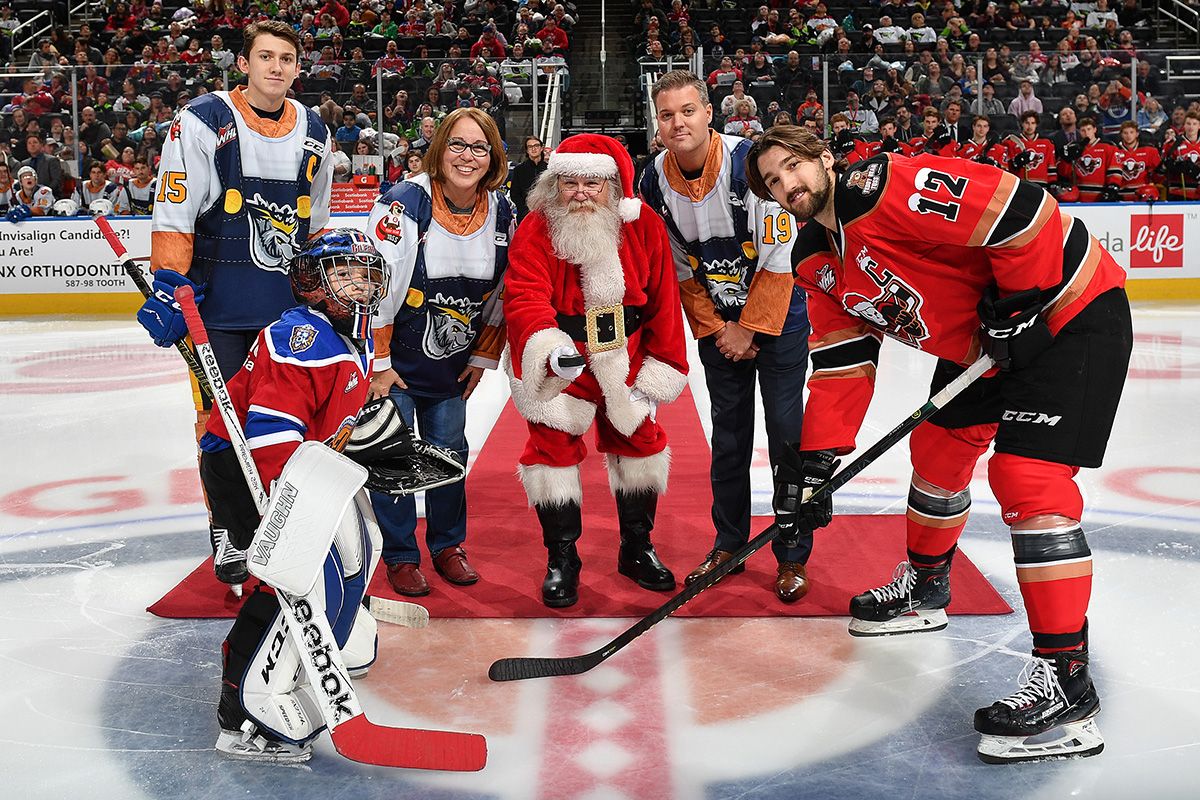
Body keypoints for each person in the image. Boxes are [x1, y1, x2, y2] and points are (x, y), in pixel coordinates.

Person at [746, 127, 1131, 764]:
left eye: (794, 167)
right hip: (990, 340)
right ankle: (926, 589)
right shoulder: (815, 255)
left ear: (822, 158)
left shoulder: (884, 187)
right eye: (774, 182)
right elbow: (843, 365)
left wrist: (1021, 303)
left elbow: (1024, 209)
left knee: (1027, 479)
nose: (790, 186)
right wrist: (815, 463)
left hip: (1070, 312)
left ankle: (1068, 683)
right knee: (938, 449)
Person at [136, 20, 336, 593]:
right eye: (265, 57)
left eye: (288, 58)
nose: (277, 67)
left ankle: (278, 518)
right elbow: (175, 206)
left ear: (299, 67)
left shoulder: (317, 131)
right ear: (243, 64)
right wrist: (169, 283)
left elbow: (314, 224)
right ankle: (227, 523)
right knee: (219, 421)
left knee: (283, 421)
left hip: (286, 310)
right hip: (216, 308)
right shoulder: (205, 119)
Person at [207, 229, 389, 762]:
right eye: (345, 273)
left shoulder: (350, 332)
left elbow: (325, 420)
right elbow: (270, 437)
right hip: (251, 469)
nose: (362, 283)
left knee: (336, 560)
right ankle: (238, 712)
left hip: (298, 468)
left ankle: (307, 656)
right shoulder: (301, 339)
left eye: (366, 272)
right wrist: (287, 510)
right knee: (287, 578)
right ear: (311, 283)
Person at [640, 70, 815, 603]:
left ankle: (792, 555)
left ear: (709, 112)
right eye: (667, 115)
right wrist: (718, 329)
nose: (678, 123)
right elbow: (679, 268)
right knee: (729, 441)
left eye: (688, 111)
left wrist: (749, 328)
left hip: (778, 321)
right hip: (720, 330)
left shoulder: (749, 164)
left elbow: (781, 255)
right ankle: (729, 544)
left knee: (788, 439)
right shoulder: (653, 181)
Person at [505, 133, 689, 608]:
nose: (581, 192)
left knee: (641, 445)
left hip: (624, 357)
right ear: (554, 184)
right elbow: (524, 295)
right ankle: (561, 557)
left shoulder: (643, 226)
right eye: (569, 182)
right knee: (551, 452)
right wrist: (548, 351)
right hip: (563, 359)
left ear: (614, 188)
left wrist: (661, 364)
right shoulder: (535, 228)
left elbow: (665, 303)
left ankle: (637, 547)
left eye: (593, 182)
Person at [364, 107, 512, 597]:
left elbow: (501, 295)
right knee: (393, 457)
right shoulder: (404, 204)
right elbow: (375, 289)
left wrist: (481, 358)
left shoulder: (504, 212)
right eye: (457, 144)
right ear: (439, 148)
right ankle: (402, 555)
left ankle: (448, 546)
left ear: (492, 157)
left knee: (450, 456)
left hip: (451, 366)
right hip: (396, 366)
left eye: (479, 147)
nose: (467, 157)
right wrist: (380, 365)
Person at [508, 135, 547, 222]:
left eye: (536, 146)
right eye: (530, 146)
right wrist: (525, 210)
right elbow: (514, 194)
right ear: (526, 150)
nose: (534, 149)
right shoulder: (519, 170)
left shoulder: (549, 169)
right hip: (525, 215)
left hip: (546, 214)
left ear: (541, 148)